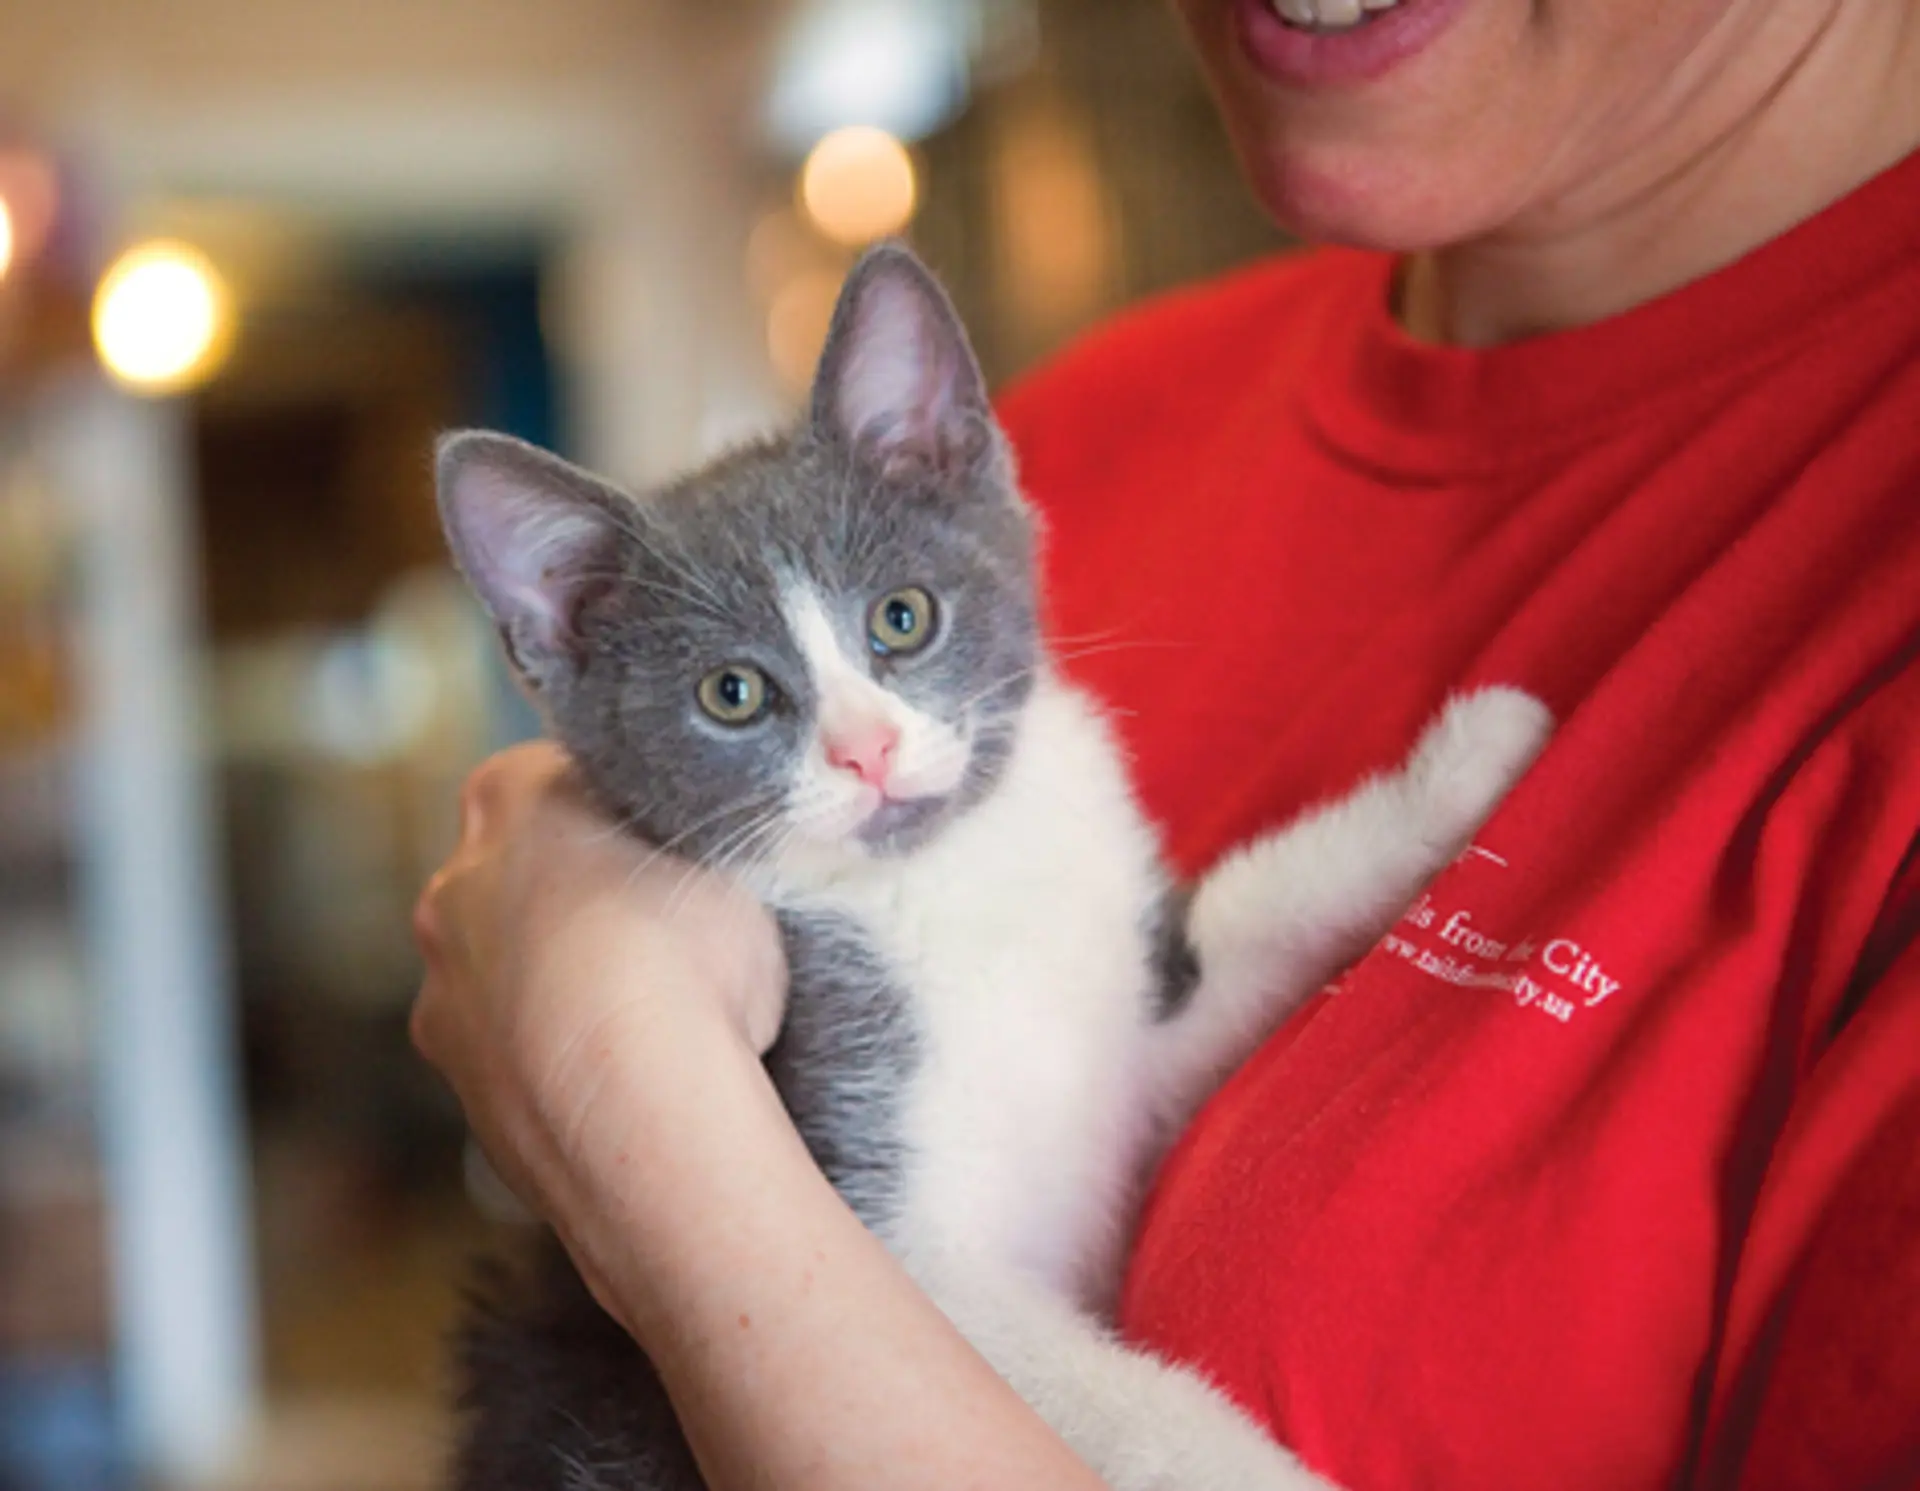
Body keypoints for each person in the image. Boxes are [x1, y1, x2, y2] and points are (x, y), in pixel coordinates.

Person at [408, 0, 1920, 1485]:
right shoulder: (1102, 425)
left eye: (896, 638)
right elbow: (1138, 1030)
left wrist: (620, 1081)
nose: (869, 747)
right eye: (742, 696)